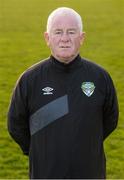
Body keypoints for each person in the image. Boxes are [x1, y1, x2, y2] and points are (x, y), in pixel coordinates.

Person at [7, 7, 119, 179]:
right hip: (45, 173)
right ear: (47, 38)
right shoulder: (30, 80)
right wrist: (40, 150)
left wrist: (87, 144)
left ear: (82, 38)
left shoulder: (100, 77)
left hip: (90, 173)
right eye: (58, 32)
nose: (65, 39)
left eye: (71, 32)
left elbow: (110, 120)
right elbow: (16, 125)